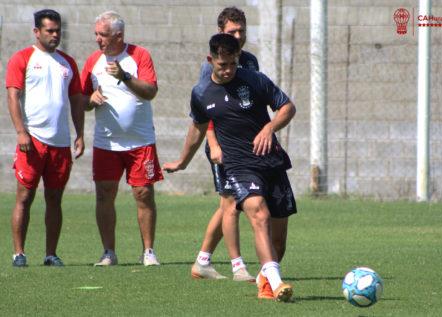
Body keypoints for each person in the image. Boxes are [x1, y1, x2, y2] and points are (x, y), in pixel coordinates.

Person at [164, 34, 296, 302]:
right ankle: (277, 281)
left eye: (232, 64)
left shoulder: (254, 80)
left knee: (279, 238)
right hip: (237, 166)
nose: (227, 70)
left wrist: (269, 127)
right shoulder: (201, 93)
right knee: (259, 215)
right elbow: (197, 130)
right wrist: (182, 162)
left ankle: (265, 278)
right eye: (222, 64)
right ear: (210, 59)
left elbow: (287, 108)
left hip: (271, 161)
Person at [80, 11, 163, 267]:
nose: (97, 39)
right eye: (96, 34)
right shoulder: (93, 61)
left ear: (118, 35)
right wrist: (90, 101)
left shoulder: (139, 56)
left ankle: (148, 252)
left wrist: (124, 77)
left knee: (143, 194)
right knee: (104, 195)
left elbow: (151, 91)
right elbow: (81, 100)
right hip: (106, 142)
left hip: (140, 141)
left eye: (102, 35)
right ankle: (108, 252)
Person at [5, 9, 85, 267]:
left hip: (60, 143)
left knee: (54, 198)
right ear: (36, 31)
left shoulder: (68, 63)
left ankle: (51, 254)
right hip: (32, 140)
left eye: (58, 30)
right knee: (24, 197)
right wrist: (21, 131)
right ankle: (19, 253)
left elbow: (75, 101)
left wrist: (80, 133)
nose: (55, 35)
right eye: (49, 30)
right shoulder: (23, 58)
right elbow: (13, 96)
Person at [191, 6, 259, 282]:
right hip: (222, 145)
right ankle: (237, 266)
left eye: (242, 30)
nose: (239, 35)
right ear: (221, 32)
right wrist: (213, 144)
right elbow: (205, 106)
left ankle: (203, 261)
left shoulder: (251, 61)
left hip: (244, 144)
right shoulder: (212, 65)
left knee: (229, 203)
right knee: (231, 201)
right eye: (232, 31)